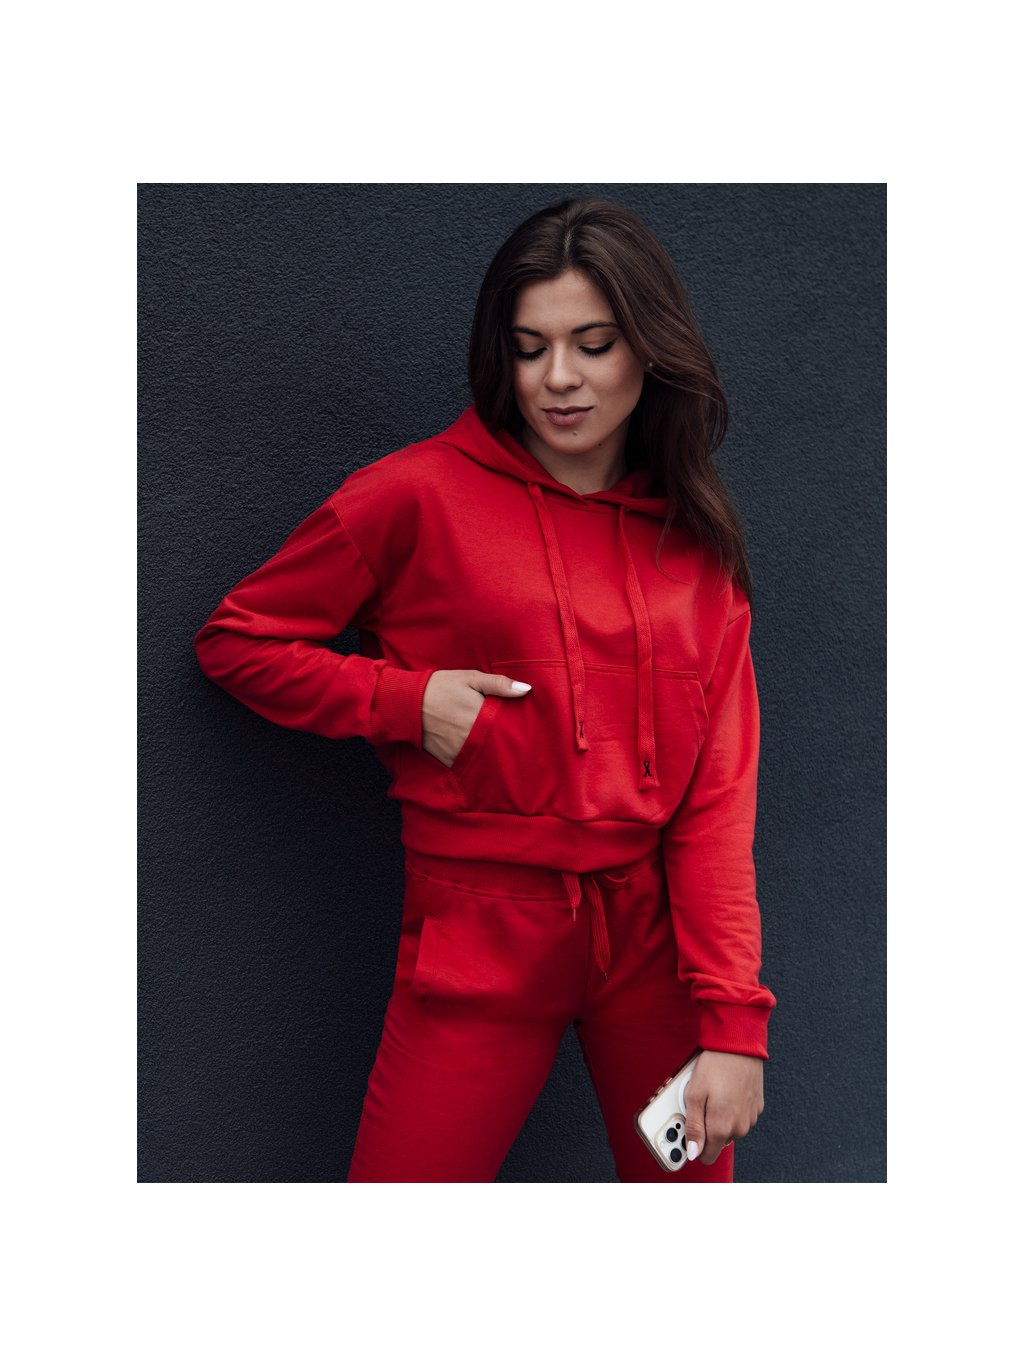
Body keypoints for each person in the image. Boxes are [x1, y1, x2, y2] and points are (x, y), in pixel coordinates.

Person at [193, 195, 777, 1183]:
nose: (558, 377)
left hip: (653, 949)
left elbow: (716, 806)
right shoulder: (415, 495)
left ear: (648, 348)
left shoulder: (695, 542)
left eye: (593, 344)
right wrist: (400, 701)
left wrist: (733, 1024)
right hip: (477, 936)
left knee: (688, 1207)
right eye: (528, 347)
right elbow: (237, 640)